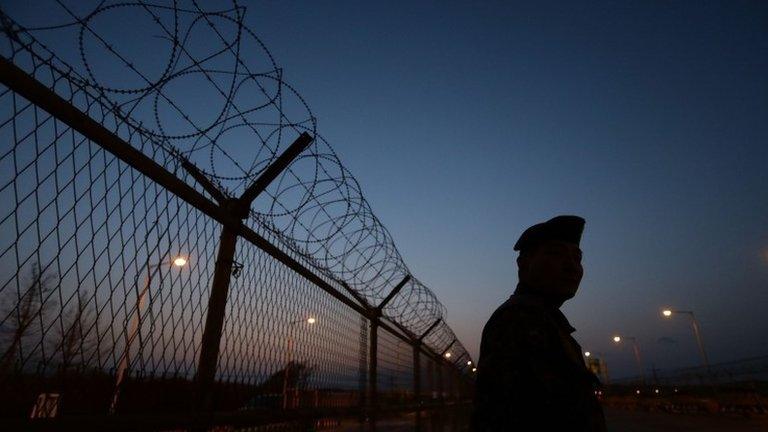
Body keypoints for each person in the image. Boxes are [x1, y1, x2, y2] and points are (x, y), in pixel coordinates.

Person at [472, 215, 606, 431]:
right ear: (524, 265)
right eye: (556, 254)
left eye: (577, 258)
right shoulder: (518, 320)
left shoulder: (544, 320)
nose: (572, 266)